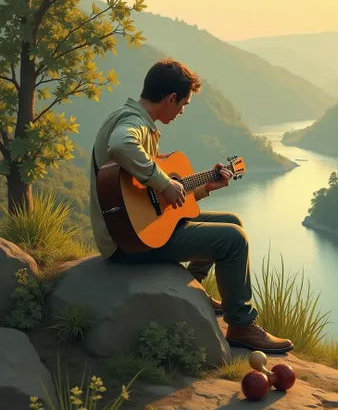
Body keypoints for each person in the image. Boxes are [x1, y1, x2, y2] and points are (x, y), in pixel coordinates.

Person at [89, 58, 293, 354]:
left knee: (232, 221)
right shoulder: (133, 124)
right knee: (233, 240)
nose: (182, 111)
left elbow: (152, 203)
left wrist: (203, 189)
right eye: (183, 104)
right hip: (128, 241)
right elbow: (123, 147)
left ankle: (193, 284)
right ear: (170, 99)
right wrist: (164, 182)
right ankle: (241, 325)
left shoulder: (133, 119)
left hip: (138, 229)